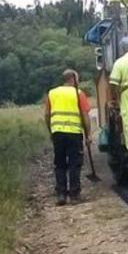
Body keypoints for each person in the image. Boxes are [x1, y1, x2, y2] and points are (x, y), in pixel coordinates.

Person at [41, 69, 93, 206]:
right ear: (73, 79)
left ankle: (61, 194)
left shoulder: (52, 93)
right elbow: (85, 116)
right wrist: (88, 134)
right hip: (74, 133)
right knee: (74, 164)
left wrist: (51, 131)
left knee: (60, 163)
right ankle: (74, 195)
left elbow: (47, 115)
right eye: (78, 79)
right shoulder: (78, 93)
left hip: (57, 132)